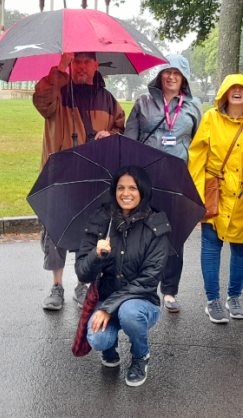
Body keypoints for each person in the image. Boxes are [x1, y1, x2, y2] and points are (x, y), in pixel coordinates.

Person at [33, 52, 125, 311]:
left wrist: (111, 133)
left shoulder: (107, 100)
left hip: (94, 178)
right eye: (77, 62)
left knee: (91, 232)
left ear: (96, 66)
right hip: (60, 175)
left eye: (87, 62)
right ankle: (56, 286)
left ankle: (83, 284)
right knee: (56, 231)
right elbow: (41, 101)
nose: (82, 67)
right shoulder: (57, 92)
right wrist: (59, 68)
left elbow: (121, 128)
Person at [75, 166, 171, 387]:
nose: (125, 194)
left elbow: (149, 279)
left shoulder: (156, 224)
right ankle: (109, 348)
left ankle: (140, 356)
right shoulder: (101, 219)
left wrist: (108, 307)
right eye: (120, 188)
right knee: (98, 338)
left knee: (129, 313)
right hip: (105, 296)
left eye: (132, 188)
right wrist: (95, 255)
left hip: (141, 302)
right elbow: (82, 272)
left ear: (142, 191)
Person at [124, 54, 203, 313]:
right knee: (142, 234)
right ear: (159, 75)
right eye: (167, 71)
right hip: (146, 180)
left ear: (184, 78)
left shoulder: (193, 106)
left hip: (177, 180)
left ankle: (169, 291)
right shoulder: (143, 103)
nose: (171, 76)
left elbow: (200, 145)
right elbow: (129, 141)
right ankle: (143, 288)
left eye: (177, 73)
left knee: (173, 236)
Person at [188, 74, 243, 323]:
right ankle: (212, 300)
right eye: (231, 87)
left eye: (241, 88)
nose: (236, 91)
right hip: (215, 193)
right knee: (211, 248)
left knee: (242, 249)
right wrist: (196, 193)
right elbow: (197, 155)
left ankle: (234, 297)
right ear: (223, 93)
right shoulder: (210, 118)